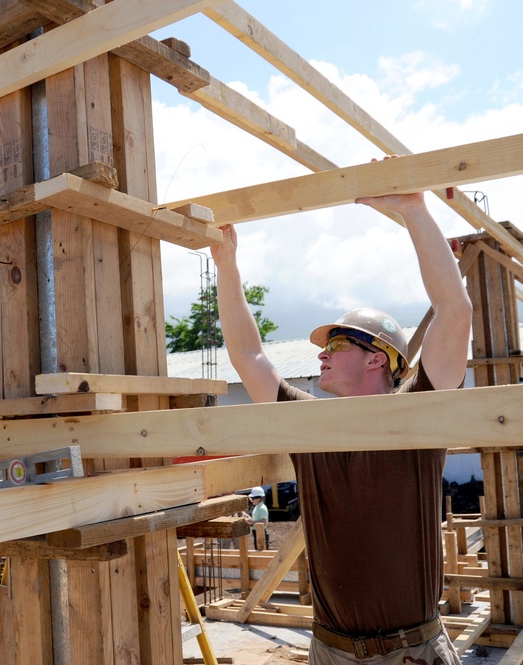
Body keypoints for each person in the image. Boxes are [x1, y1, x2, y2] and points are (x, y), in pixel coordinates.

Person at [211, 169, 472, 665]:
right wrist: (226, 262)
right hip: (328, 651)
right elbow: (250, 356)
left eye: (335, 344)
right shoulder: (310, 427)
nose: (321, 355)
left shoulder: (419, 413)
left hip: (410, 653)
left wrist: (414, 211)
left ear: (378, 359)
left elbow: (454, 311)